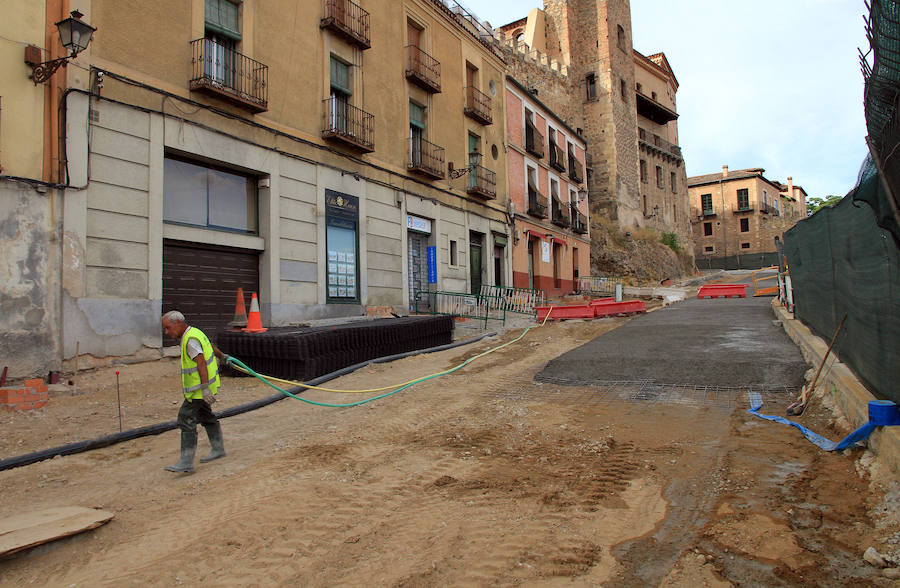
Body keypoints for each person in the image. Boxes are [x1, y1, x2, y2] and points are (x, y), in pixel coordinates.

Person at [161, 310, 229, 473]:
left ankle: (186, 461)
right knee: (205, 415)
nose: (166, 332)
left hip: (199, 390)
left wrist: (205, 389)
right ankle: (218, 449)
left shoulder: (190, 340)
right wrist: (222, 356)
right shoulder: (195, 332)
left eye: (168, 328)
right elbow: (210, 347)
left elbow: (201, 364)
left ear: (178, 323)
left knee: (185, 418)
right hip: (203, 388)